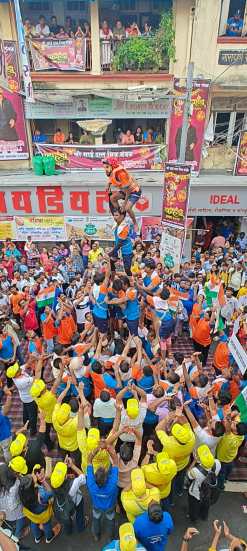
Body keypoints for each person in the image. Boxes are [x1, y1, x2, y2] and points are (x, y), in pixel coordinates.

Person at [86, 444, 118, 542]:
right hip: (110, 507)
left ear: (95, 477)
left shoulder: (91, 484)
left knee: (96, 519)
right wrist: (107, 448)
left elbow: (88, 460)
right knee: (111, 521)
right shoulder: (112, 484)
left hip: (97, 506)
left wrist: (97, 448)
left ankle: (96, 535)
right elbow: (115, 461)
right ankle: (110, 537)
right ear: (107, 477)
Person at [103, 157, 142, 229]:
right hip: (125, 190)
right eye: (104, 167)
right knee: (112, 198)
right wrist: (108, 185)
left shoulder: (121, 174)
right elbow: (111, 178)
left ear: (113, 166)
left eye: (107, 167)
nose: (105, 169)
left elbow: (128, 191)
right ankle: (120, 216)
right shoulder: (112, 171)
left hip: (133, 192)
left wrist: (124, 204)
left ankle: (135, 222)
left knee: (127, 208)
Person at [187, 444, 221, 522]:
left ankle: (194, 518)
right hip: (209, 491)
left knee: (193, 506)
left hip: (196, 493)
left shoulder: (196, 471)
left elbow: (188, 474)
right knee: (206, 504)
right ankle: (204, 516)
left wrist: (194, 461)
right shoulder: (217, 463)